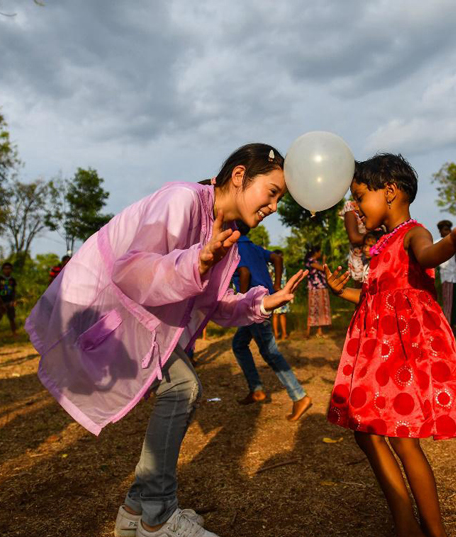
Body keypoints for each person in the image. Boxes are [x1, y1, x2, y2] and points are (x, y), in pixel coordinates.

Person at [25, 143, 305, 537]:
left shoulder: (226, 235)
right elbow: (133, 268)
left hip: (145, 319)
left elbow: (215, 305)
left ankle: (136, 511)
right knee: (183, 388)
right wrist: (196, 261)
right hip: (105, 305)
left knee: (184, 390)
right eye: (272, 192)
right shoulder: (182, 199)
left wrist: (261, 302)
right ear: (240, 176)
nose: (274, 207)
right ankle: (157, 518)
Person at [323, 153, 456, 537]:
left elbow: (429, 255)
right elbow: (376, 297)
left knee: (400, 439)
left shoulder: (414, 233)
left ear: (390, 191)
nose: (356, 207)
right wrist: (344, 292)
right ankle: (407, 524)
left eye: (361, 196)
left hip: (401, 347)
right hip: (376, 346)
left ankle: (430, 530)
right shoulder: (381, 243)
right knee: (367, 431)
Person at [231, 235, 311, 419]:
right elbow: (277, 258)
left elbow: (244, 273)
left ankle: (299, 396)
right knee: (239, 344)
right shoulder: (253, 247)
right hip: (265, 300)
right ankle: (256, 389)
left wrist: (241, 303)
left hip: (254, 305)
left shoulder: (234, 247)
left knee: (269, 351)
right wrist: (275, 285)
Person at [436, 220, 456, 333]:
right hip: (446, 277)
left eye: (449, 229)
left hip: (455, 277)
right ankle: (448, 326)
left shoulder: (453, 243)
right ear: (440, 232)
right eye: (445, 230)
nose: (447, 231)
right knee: (448, 302)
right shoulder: (438, 242)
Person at [340, 196, 368, 287]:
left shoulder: (380, 204)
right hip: (360, 261)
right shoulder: (351, 207)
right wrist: (381, 238)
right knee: (362, 296)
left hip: (378, 258)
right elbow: (354, 238)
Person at [305, 245, 331, 338]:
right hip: (315, 288)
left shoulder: (315, 261)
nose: (320, 254)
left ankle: (319, 331)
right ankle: (307, 332)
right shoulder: (311, 261)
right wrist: (324, 261)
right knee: (313, 309)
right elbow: (324, 269)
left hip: (321, 287)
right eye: (319, 252)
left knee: (320, 309)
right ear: (316, 252)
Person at [0, 262, 19, 338]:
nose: (7, 270)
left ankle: (14, 333)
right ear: (3, 270)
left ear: (11, 270)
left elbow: (14, 291)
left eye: (9, 268)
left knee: (12, 318)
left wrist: (14, 300)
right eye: (5, 268)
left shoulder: (12, 280)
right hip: (1, 302)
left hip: (10, 301)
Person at [269, 250, 289, 340]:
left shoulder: (283, 266)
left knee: (283, 313)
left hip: (284, 291)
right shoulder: (271, 266)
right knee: (276, 314)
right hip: (275, 293)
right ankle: (276, 333)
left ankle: (284, 333)